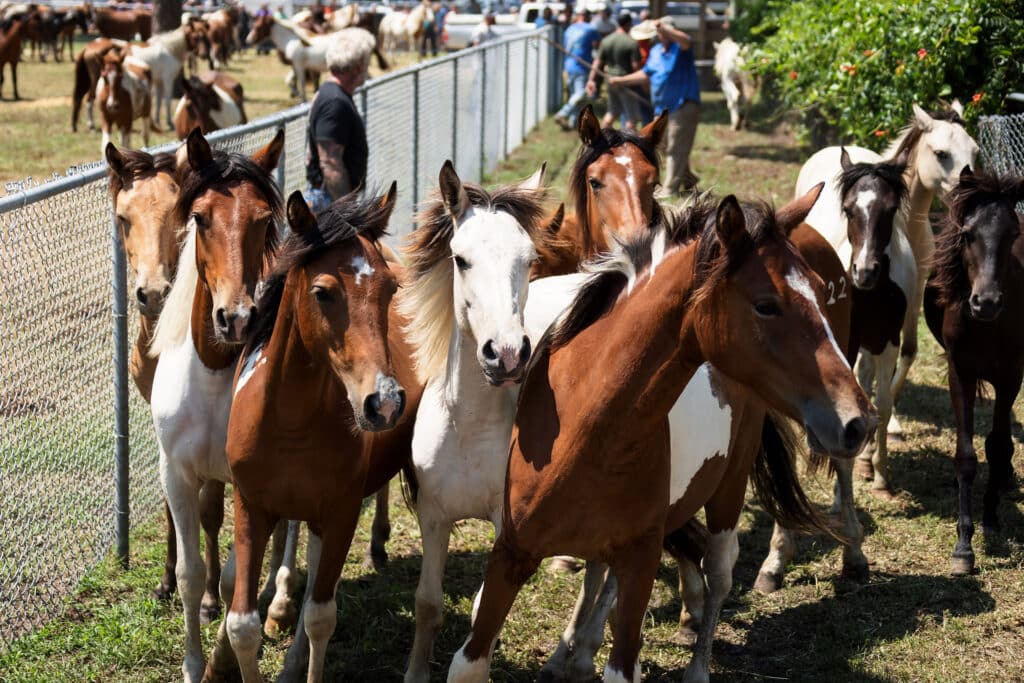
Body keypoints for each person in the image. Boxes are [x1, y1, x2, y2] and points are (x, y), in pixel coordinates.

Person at [610, 16, 700, 195]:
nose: (661, 34)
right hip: (662, 109)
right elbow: (645, 74)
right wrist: (621, 80)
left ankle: (669, 190)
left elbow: (686, 40)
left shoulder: (681, 49)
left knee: (675, 147)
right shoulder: (657, 50)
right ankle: (688, 178)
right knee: (663, 145)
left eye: (665, 31)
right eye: (660, 32)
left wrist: (664, 27)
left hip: (683, 106)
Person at [304, 28, 376, 212]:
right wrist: (347, 213)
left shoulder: (335, 96)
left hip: (330, 200)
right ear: (359, 66)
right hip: (328, 204)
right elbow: (330, 163)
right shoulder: (334, 102)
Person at [586, 11, 641, 130]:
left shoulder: (606, 41)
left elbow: (597, 62)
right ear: (628, 24)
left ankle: (601, 137)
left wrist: (591, 79)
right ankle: (629, 143)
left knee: (612, 112)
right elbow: (636, 67)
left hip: (610, 80)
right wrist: (640, 83)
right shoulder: (631, 43)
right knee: (631, 117)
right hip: (626, 82)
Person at [553, 9, 601, 130]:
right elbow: (598, 47)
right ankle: (563, 113)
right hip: (582, 66)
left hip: (569, 65)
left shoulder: (569, 29)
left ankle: (573, 124)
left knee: (575, 96)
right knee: (580, 94)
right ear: (587, 16)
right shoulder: (590, 29)